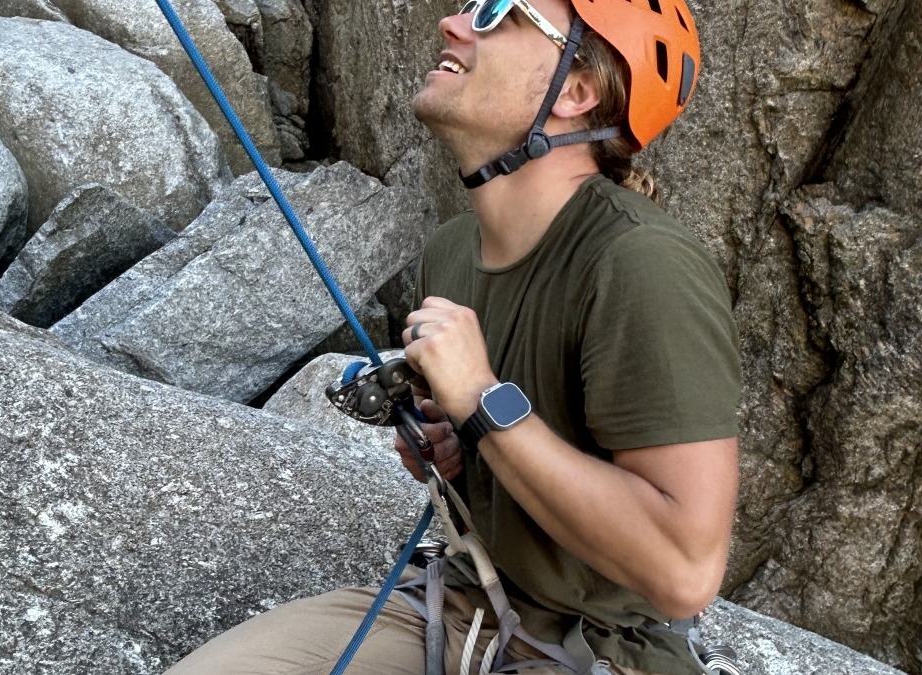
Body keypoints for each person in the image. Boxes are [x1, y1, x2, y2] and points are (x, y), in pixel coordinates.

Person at [165, 0, 740, 673]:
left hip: (602, 650)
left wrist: (479, 399)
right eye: (470, 6)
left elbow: (683, 570)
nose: (455, 23)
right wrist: (457, 444)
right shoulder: (452, 251)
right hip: (465, 603)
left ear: (578, 91)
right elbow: (502, 448)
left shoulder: (640, 263)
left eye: (501, 13)